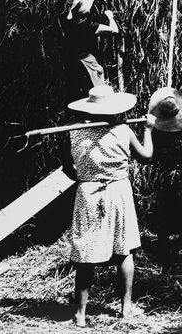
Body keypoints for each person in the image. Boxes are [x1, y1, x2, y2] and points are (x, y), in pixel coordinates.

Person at [62, 85, 155, 324]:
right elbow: (146, 156)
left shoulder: (74, 133)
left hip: (88, 194)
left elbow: (67, 169)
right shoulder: (124, 131)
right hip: (118, 193)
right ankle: (126, 308)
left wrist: (87, 176)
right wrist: (148, 129)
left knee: (86, 254)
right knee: (124, 251)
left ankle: (80, 315)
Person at [148, 87, 182, 270]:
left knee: (165, 220)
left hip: (169, 180)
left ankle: (166, 261)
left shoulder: (157, 134)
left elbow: (151, 157)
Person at [61, 0, 119, 101]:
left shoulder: (68, 21)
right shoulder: (88, 26)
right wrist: (110, 17)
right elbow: (114, 30)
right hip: (87, 63)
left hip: (73, 62)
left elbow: (81, 10)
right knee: (98, 93)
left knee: (81, 95)